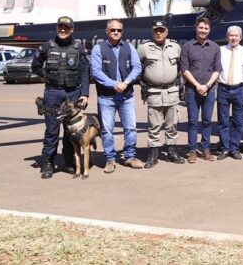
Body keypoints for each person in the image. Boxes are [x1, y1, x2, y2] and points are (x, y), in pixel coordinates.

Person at [31, 16, 90, 179]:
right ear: (56, 28)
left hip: (72, 93)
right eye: (60, 27)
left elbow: (85, 71)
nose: (63, 30)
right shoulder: (47, 46)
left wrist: (85, 93)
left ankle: (68, 161)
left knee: (71, 131)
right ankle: (48, 162)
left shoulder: (79, 48)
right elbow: (35, 65)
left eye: (66, 27)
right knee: (51, 130)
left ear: (72, 30)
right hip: (52, 93)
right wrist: (46, 77)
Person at [91, 18, 143, 172]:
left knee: (131, 128)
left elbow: (137, 67)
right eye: (112, 30)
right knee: (107, 130)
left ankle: (130, 157)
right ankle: (110, 160)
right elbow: (96, 72)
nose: (115, 32)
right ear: (107, 31)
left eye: (119, 30)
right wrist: (114, 84)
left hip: (126, 96)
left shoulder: (129, 47)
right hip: (106, 97)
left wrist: (126, 82)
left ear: (122, 32)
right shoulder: (98, 49)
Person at [138, 20, 185, 168]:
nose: (158, 33)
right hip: (154, 92)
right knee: (154, 125)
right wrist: (142, 84)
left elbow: (181, 67)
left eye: (161, 30)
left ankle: (171, 151)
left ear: (166, 32)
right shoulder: (144, 48)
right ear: (152, 32)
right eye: (156, 30)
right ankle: (153, 154)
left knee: (172, 124)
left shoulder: (175, 47)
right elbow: (135, 67)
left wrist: (181, 84)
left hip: (172, 91)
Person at [180, 17, 222, 163]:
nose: (203, 31)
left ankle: (205, 149)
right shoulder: (187, 46)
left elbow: (217, 70)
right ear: (196, 28)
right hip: (192, 89)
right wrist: (198, 85)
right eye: (201, 28)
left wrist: (207, 85)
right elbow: (184, 69)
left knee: (207, 121)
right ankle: (192, 150)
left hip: (209, 90)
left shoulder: (215, 47)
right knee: (192, 121)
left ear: (209, 30)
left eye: (206, 28)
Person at [216, 25, 243, 160]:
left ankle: (235, 148)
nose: (233, 38)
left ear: (240, 37)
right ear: (227, 37)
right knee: (223, 121)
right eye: (231, 35)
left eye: (236, 36)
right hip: (223, 88)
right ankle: (224, 148)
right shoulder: (220, 50)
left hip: (239, 89)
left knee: (238, 121)